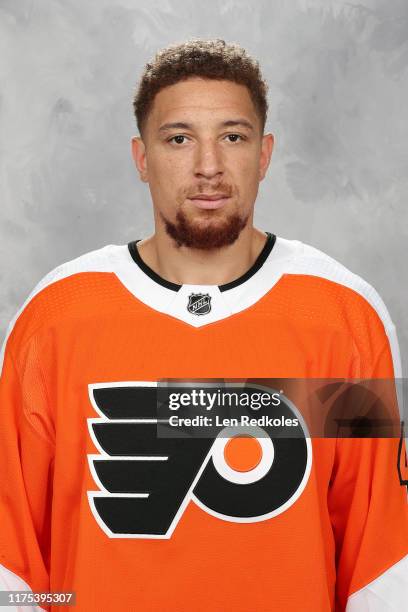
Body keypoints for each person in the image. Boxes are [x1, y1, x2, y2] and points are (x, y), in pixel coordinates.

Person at [0, 38, 407, 612]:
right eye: (179, 139)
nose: (208, 166)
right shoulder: (58, 315)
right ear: (142, 158)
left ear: (264, 155)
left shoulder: (343, 315)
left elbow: (382, 563)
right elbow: (11, 559)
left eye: (233, 137)